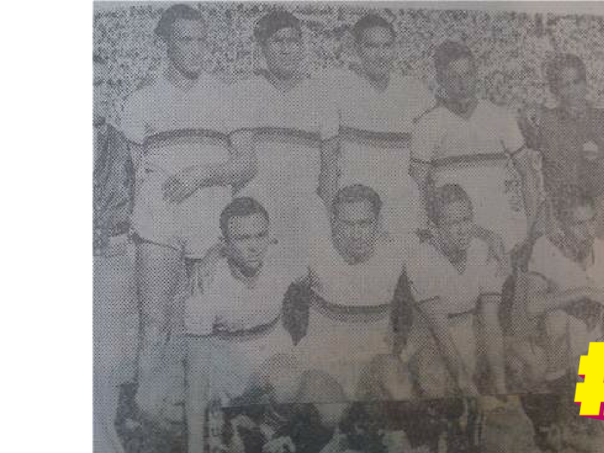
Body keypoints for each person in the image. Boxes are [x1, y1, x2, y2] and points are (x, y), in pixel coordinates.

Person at [120, 4, 257, 418]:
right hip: (159, 221)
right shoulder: (142, 100)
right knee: (154, 325)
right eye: (186, 40)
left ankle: (211, 415)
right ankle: (148, 417)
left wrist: (202, 174)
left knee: (207, 321)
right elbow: (131, 172)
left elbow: (247, 164)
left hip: (209, 223)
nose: (196, 49)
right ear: (165, 43)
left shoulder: (227, 96)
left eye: (202, 40)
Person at [185, 197, 301, 453]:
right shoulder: (205, 284)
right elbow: (197, 369)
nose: (254, 247)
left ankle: (262, 434)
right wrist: (195, 445)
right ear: (225, 243)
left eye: (260, 236)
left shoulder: (283, 262)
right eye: (242, 238)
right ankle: (224, 431)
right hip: (223, 376)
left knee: (290, 380)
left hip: (267, 365)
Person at [411, 41, 542, 261]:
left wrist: (531, 231)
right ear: (440, 80)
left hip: (503, 237)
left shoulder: (500, 117)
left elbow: (527, 174)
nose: (463, 84)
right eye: (454, 77)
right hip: (455, 241)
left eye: (468, 74)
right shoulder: (427, 125)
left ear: (476, 74)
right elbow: (418, 190)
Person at [229, 10, 339, 276]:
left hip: (304, 217)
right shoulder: (242, 92)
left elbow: (329, 171)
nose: (287, 49)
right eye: (278, 41)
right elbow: (238, 165)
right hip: (258, 219)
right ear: (263, 47)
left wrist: (327, 221)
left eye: (293, 41)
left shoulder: (322, 97)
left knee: (308, 292)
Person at [285, 184, 413, 398]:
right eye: (348, 224)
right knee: (325, 406)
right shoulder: (315, 254)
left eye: (365, 223)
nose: (356, 234)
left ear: (379, 222)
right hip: (325, 365)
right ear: (334, 222)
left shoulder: (396, 255)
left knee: (400, 391)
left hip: (373, 363)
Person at [324, 14, 435, 241]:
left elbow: (423, 165)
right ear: (357, 49)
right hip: (356, 211)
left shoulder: (414, 92)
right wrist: (330, 218)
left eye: (386, 46)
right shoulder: (338, 87)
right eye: (371, 46)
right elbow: (329, 163)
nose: (381, 55)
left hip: (402, 209)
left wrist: (424, 214)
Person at [406, 184, 507, 398]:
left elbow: (491, 324)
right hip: (432, 342)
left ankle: (590, 411)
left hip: (471, 336)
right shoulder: (420, 258)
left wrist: (501, 386)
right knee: (439, 382)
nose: (462, 230)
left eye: (466, 220)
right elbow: (441, 333)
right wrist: (466, 385)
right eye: (453, 223)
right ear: (434, 228)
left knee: (528, 362)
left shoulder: (484, 250)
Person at [91, 52, 137, 453]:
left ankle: (104, 441)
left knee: (107, 361)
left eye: (106, 83)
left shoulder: (119, 142)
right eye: (92, 84)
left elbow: (129, 202)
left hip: (110, 261)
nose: (101, 91)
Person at [526, 185, 604, 388]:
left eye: (592, 221)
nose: (589, 232)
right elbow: (532, 306)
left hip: (594, 345)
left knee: (593, 404)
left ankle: (588, 397)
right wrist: (584, 292)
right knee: (558, 318)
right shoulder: (546, 248)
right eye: (578, 224)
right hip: (558, 350)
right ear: (561, 224)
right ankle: (559, 386)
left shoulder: (600, 249)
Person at [538, 54, 604, 238]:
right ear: (555, 90)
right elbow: (550, 171)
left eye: (577, 82)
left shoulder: (600, 119)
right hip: (563, 208)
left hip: (598, 205)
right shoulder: (548, 121)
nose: (573, 90)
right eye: (565, 85)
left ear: (585, 83)